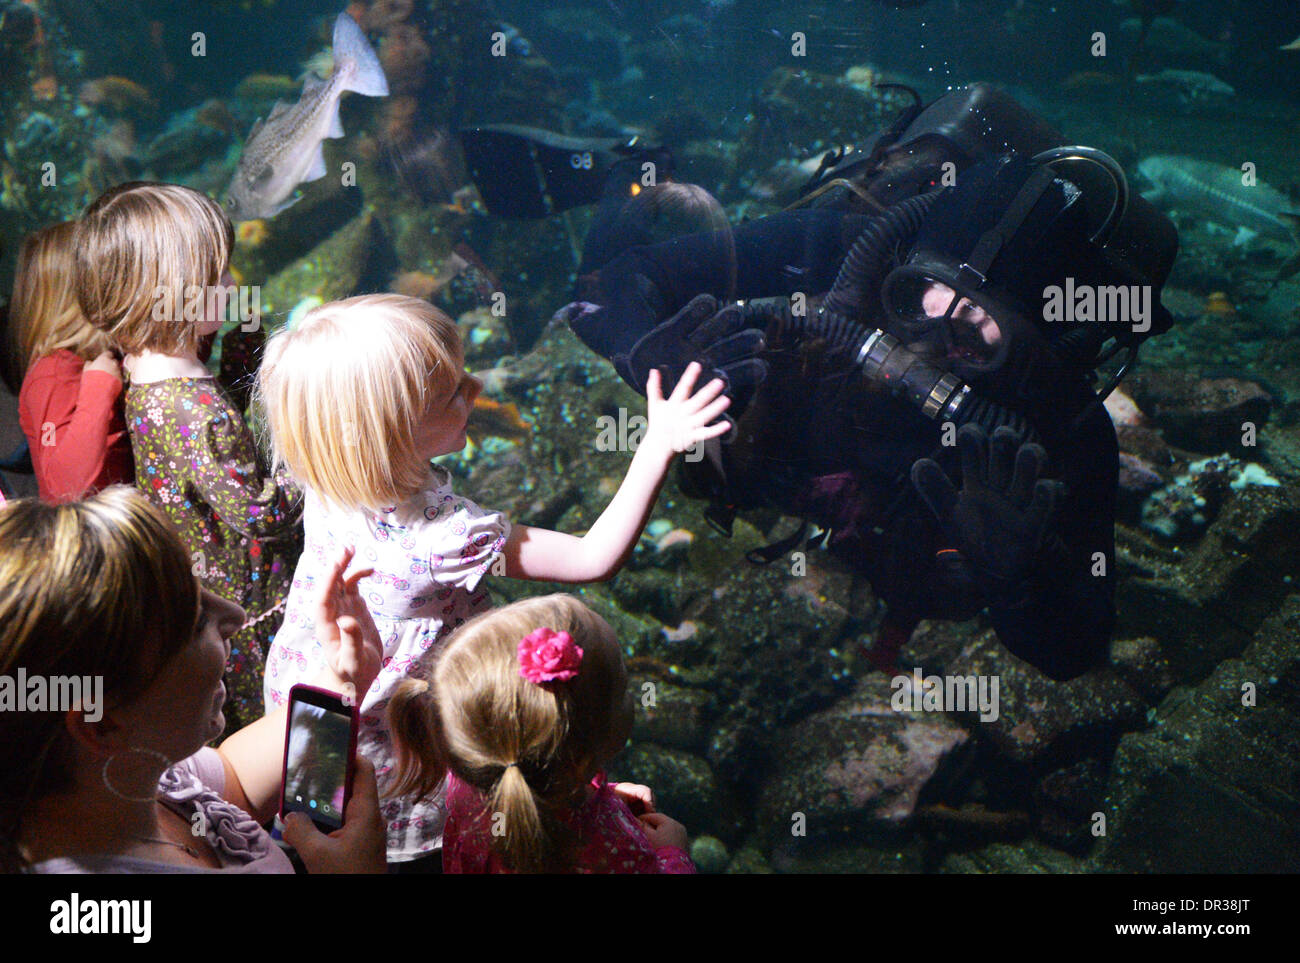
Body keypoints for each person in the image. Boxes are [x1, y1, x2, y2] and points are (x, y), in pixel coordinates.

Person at [560, 88, 1179, 681]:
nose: (931, 344)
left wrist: (1020, 583)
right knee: (603, 273)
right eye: (919, 301)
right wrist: (650, 357)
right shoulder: (849, 247)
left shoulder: (1064, 423)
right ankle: (633, 169)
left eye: (977, 328)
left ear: (1033, 343)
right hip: (779, 456)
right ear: (899, 273)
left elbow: (1076, 653)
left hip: (881, 526)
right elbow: (615, 282)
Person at [255, 293, 729, 869]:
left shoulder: (324, 469)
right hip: (404, 753)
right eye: (453, 392)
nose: (475, 387)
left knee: (314, 827)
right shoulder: (447, 538)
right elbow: (592, 557)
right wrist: (657, 443)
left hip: (319, 709)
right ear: (391, 433)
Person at [0, 486, 387, 873]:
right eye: (195, 618)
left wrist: (342, 679)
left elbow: (236, 784)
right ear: (101, 724)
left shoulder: (131, 775)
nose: (235, 616)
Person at [73, 181, 303, 732]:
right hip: (253, 615)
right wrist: (307, 462)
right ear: (176, 290)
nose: (233, 285)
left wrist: (245, 346)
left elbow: (210, 460)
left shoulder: (151, 373)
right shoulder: (194, 408)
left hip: (211, 595)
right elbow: (261, 514)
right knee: (272, 729)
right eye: (220, 276)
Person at [387, 593, 696, 873]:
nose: (633, 696)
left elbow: (535, 772)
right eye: (625, 687)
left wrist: (599, 793)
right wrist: (672, 854)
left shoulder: (475, 772)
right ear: (579, 756)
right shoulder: (620, 853)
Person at [12, 222, 133, 502]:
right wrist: (98, 390)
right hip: (87, 540)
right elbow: (61, 484)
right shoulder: (50, 378)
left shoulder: (98, 356)